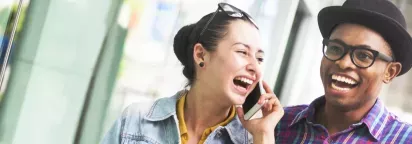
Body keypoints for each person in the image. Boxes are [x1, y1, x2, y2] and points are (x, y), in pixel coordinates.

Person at [101, 3, 284, 144]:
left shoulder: (253, 139)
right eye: (242, 52)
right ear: (200, 54)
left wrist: (264, 134)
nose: (255, 67)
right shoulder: (137, 120)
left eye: (259, 59)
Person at [275, 0, 412, 143]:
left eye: (364, 55)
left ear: (390, 72)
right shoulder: (279, 123)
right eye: (335, 48)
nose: (343, 63)